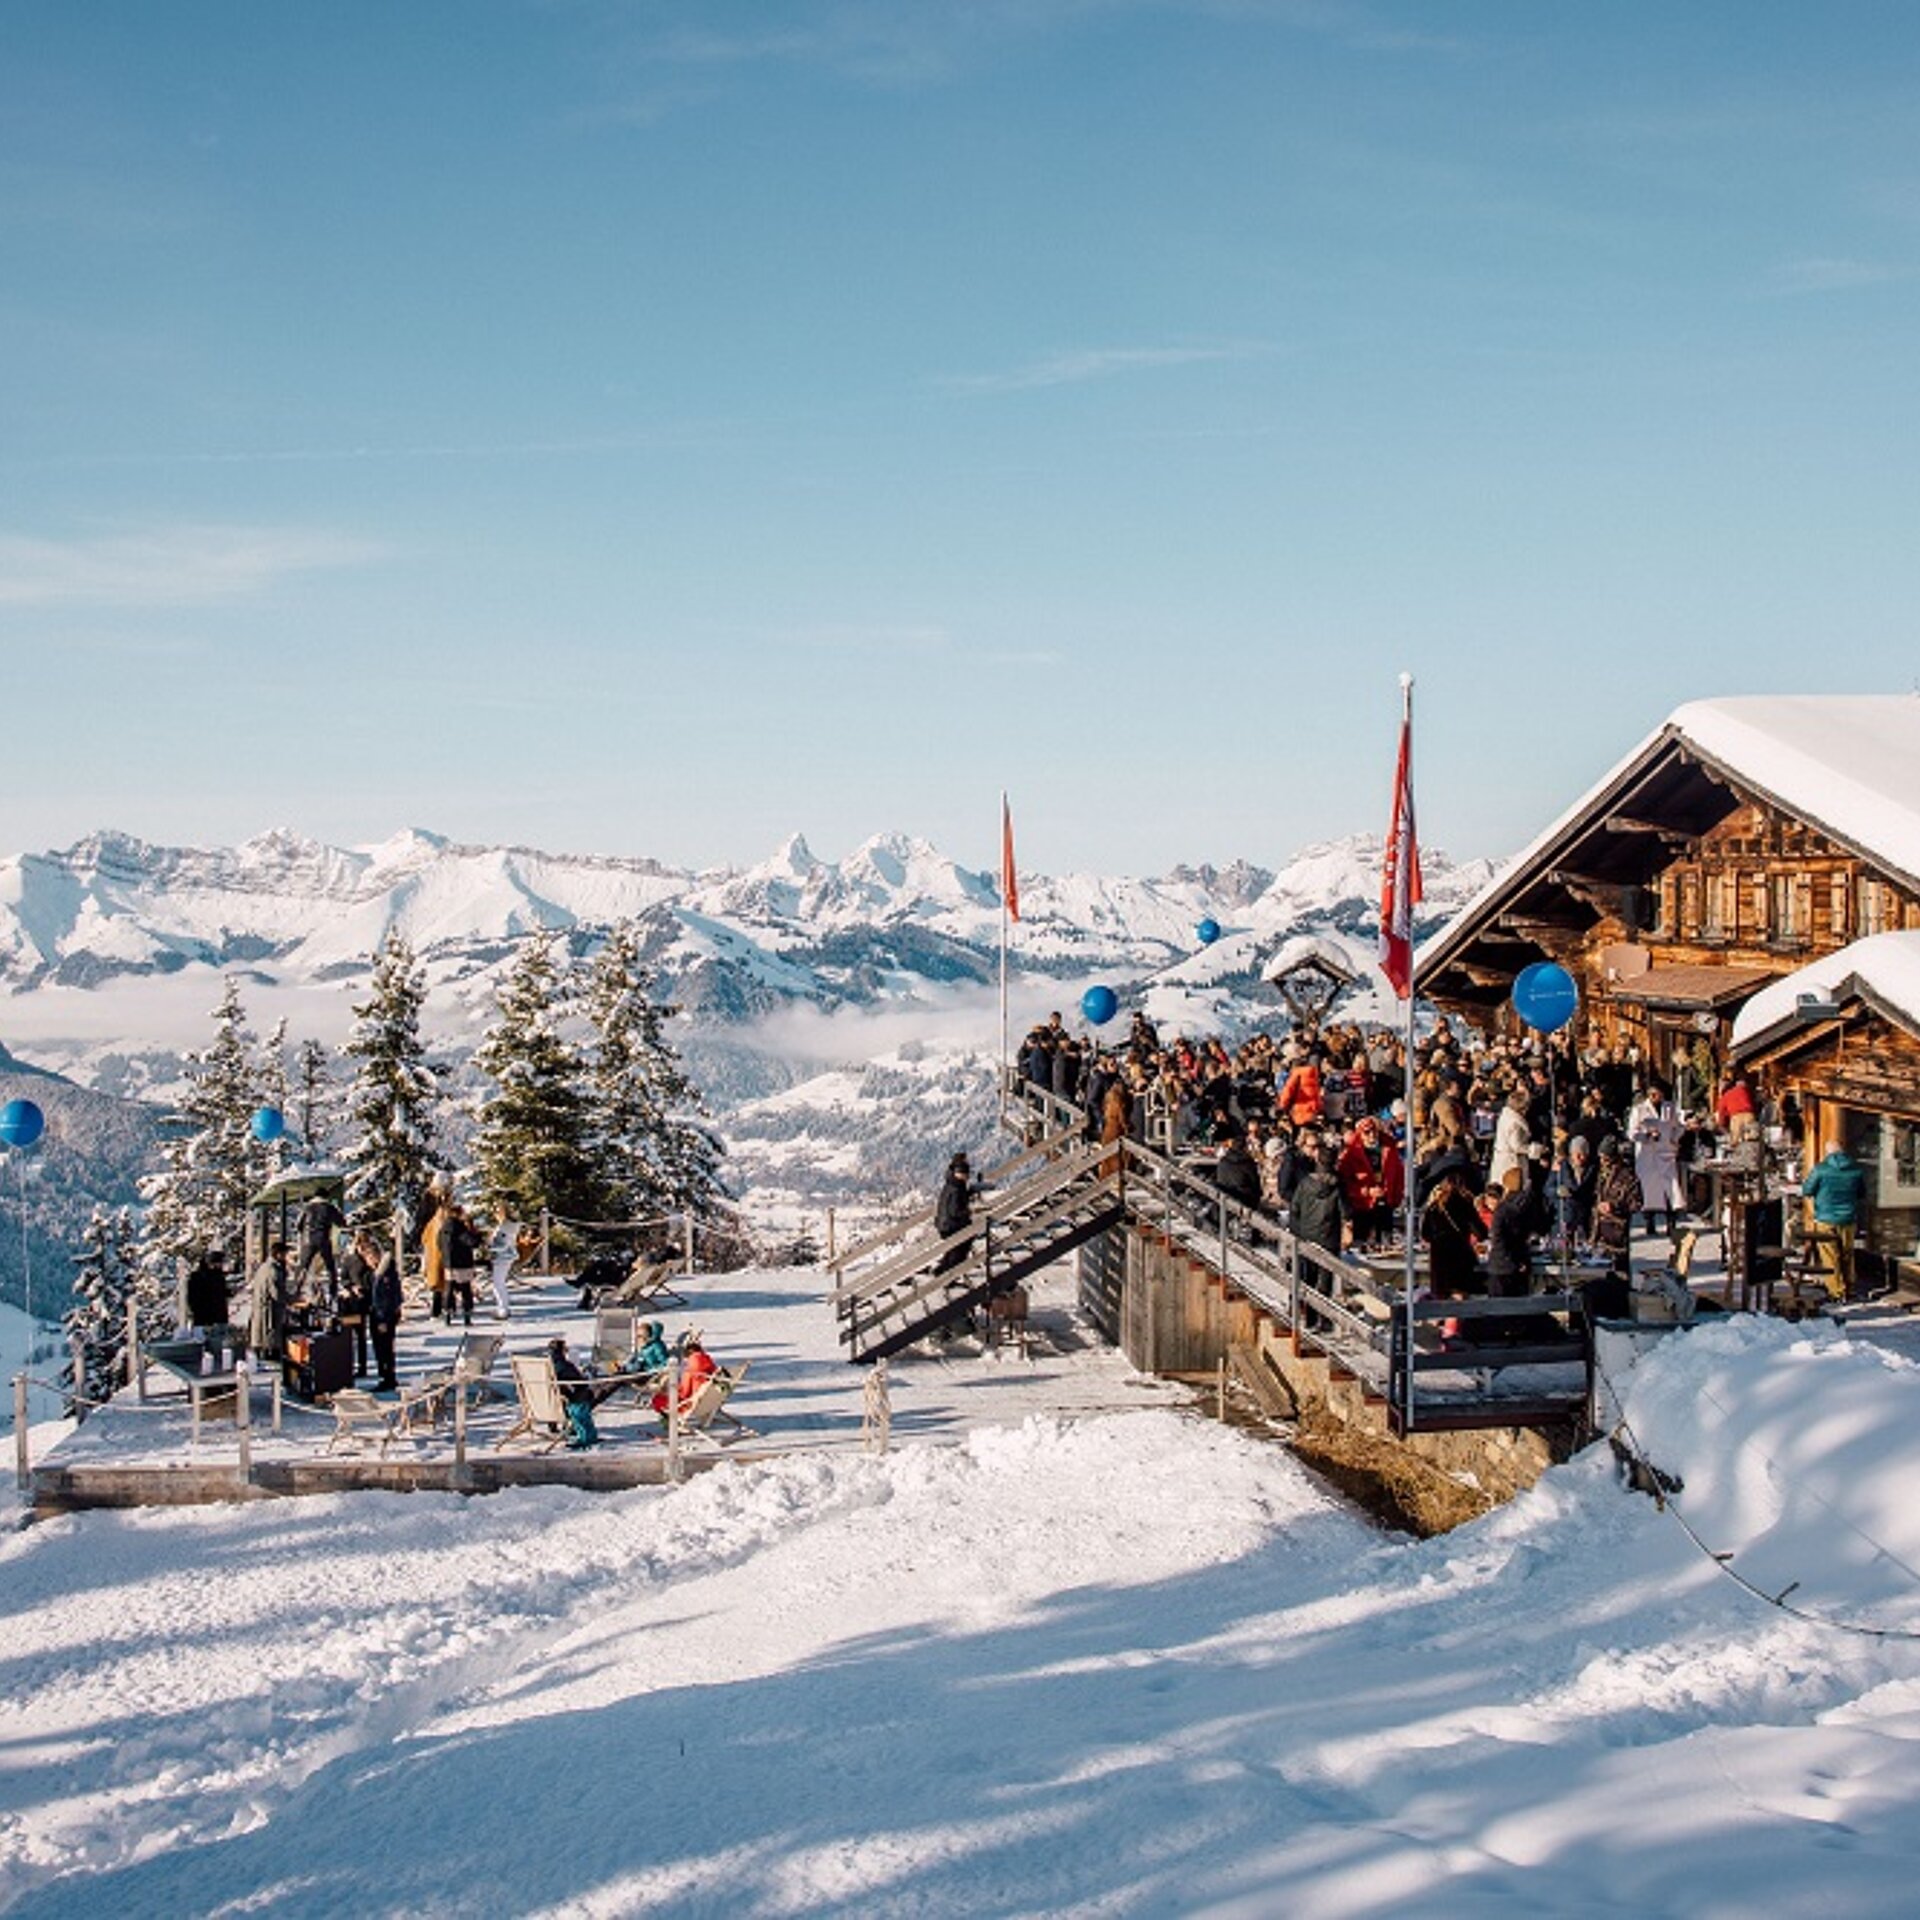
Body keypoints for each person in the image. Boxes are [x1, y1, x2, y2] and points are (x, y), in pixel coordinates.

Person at [1800, 1143, 1868, 1302]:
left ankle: (1836, 1291)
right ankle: (1850, 1286)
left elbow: (1807, 1190)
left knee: (1830, 1255)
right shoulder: (1856, 1170)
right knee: (1847, 1254)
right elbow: (1861, 1193)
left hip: (1825, 1217)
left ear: (1827, 1152)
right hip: (1848, 1218)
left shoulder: (1820, 1170)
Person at [1336, 1113, 1404, 1249]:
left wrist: (1397, 1196)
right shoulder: (1350, 1154)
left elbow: (1398, 1174)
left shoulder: (1389, 1148)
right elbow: (1344, 1183)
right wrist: (1366, 1191)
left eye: (1374, 1131)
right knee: (1360, 1242)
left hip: (1386, 1200)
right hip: (1362, 1204)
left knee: (1386, 1242)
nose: (1372, 1135)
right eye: (1367, 1132)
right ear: (1360, 1134)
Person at [1628, 1078, 1686, 1238]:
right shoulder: (1639, 1109)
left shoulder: (1670, 1108)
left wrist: (1674, 1138)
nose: (1654, 1096)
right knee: (1649, 1190)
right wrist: (1646, 1135)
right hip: (1647, 1154)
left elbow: (1679, 1127)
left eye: (1657, 1094)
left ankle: (1671, 1222)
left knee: (1671, 1188)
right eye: (1651, 1094)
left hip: (1666, 1153)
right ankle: (1650, 1222)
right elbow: (1631, 1133)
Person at [334, 1228, 375, 1378]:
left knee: (361, 1336)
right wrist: (351, 1287)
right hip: (352, 1303)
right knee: (350, 1337)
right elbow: (344, 1278)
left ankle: (362, 1366)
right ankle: (350, 1365)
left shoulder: (370, 1258)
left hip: (364, 1302)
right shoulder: (350, 1260)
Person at [547, 1338, 600, 1449]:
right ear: (562, 1351)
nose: (566, 1351)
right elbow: (581, 1382)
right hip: (566, 1406)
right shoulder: (564, 1365)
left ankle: (554, 1426)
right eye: (565, 1349)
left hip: (545, 1406)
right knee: (588, 1394)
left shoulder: (546, 1366)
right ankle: (586, 1435)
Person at [367, 1233, 403, 1390]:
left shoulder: (385, 1274)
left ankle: (387, 1376)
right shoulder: (381, 1273)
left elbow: (386, 1298)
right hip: (381, 1314)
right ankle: (387, 1375)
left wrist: (383, 1319)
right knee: (383, 1348)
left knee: (384, 1348)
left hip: (383, 1316)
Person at [296, 1189, 346, 1295]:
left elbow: (299, 1225)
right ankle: (333, 1292)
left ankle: (297, 1289)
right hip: (323, 1239)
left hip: (308, 1240)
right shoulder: (329, 1208)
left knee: (303, 1266)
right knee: (330, 1267)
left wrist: (305, 1232)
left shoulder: (307, 1208)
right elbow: (341, 1222)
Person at [934, 1153, 975, 1274]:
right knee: (960, 1248)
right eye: (966, 1174)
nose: (968, 1177)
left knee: (955, 1248)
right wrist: (968, 1212)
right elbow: (954, 1211)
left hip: (945, 1224)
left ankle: (942, 1270)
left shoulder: (953, 1183)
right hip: (951, 1225)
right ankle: (950, 1275)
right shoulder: (956, 1188)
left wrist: (968, 1195)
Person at [249, 1239, 290, 1360]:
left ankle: (260, 1356)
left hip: (261, 1308)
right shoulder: (272, 1270)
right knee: (268, 1338)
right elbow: (276, 1294)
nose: (285, 1257)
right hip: (269, 1310)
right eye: (284, 1254)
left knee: (259, 1337)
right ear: (278, 1254)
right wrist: (291, 1300)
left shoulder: (263, 1267)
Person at [441, 1201, 479, 1327]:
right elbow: (472, 1242)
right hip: (462, 1263)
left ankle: (447, 1313)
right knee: (465, 1290)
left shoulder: (443, 1228)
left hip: (448, 1263)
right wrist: (474, 1232)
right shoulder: (460, 1228)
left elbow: (438, 1244)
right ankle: (467, 1315)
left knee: (449, 1288)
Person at [185, 1247, 232, 1331]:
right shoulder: (198, 1277)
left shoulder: (218, 1276)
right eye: (219, 1263)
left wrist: (228, 1292)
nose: (220, 1265)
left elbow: (220, 1294)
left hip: (218, 1318)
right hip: (204, 1319)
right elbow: (194, 1298)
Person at [486, 1206, 520, 1320]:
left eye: (496, 1213)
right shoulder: (507, 1226)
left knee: (498, 1284)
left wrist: (490, 1247)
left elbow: (503, 1245)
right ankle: (503, 1308)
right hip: (504, 1257)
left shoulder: (505, 1228)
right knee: (499, 1284)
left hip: (503, 1258)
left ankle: (503, 1309)